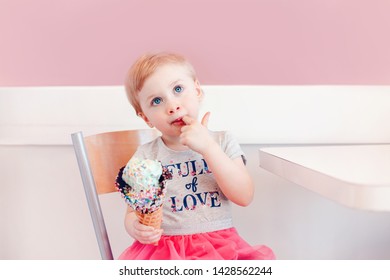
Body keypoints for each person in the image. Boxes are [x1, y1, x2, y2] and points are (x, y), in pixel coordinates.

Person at [118, 52, 275, 260]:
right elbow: (133, 212)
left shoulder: (221, 141)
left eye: (178, 89)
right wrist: (135, 227)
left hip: (220, 248)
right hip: (165, 252)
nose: (172, 106)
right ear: (146, 117)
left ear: (197, 90)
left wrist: (208, 147)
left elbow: (244, 196)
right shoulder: (146, 156)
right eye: (157, 100)